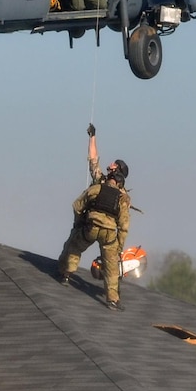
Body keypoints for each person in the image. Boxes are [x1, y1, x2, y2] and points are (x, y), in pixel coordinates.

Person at [59, 124, 132, 309]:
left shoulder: (98, 184)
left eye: (115, 164)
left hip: (90, 227)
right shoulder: (123, 197)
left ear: (117, 171)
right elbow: (123, 225)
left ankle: (65, 274)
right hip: (109, 235)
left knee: (74, 247)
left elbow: (78, 204)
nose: (111, 164)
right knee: (112, 268)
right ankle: (113, 300)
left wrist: (78, 224)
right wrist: (119, 247)